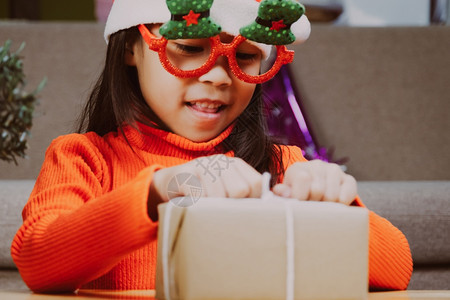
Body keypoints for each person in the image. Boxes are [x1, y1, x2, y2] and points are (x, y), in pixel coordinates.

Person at [11, 0, 412, 293]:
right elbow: (37, 259)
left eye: (246, 56)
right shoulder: (85, 158)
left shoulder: (281, 166)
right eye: (189, 47)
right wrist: (159, 191)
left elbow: (397, 269)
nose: (220, 77)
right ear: (132, 46)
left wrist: (337, 208)